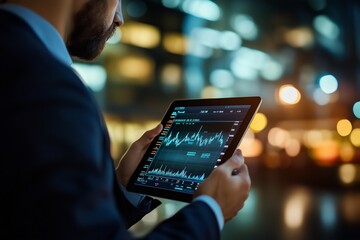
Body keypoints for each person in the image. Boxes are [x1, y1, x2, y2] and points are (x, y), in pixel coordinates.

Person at [0, 0, 251, 239]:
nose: (119, 18)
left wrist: (124, 186)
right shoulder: (47, 86)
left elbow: (49, 225)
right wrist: (211, 210)